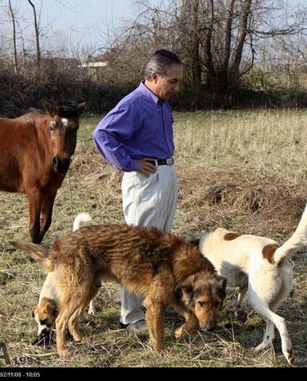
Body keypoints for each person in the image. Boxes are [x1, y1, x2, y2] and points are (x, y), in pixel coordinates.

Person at [92, 49, 183, 333]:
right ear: (154, 77)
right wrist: (129, 162)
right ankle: (131, 316)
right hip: (146, 179)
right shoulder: (135, 103)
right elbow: (102, 134)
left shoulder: (161, 101)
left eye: (179, 82)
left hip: (164, 174)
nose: (176, 88)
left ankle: (154, 304)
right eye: (173, 81)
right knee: (138, 249)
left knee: (161, 247)